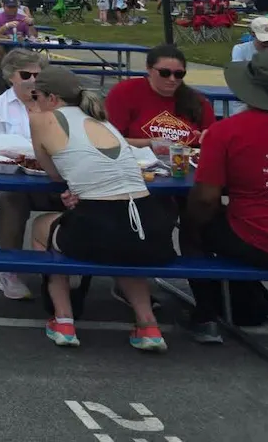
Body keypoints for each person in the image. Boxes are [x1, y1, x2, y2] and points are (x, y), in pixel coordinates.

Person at [23, 66, 174, 351]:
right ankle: (148, 324)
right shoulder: (103, 121)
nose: (34, 101)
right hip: (151, 224)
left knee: (42, 225)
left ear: (51, 98)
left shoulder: (41, 118)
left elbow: (54, 173)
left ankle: (64, 319)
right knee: (123, 244)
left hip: (101, 226)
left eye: (36, 95)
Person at [184, 49, 268, 343]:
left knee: (192, 227)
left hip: (261, 240)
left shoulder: (227, 131)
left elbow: (206, 198)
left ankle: (206, 315)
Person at [0, 48, 51, 300]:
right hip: (10, 177)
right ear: (11, 76)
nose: (33, 80)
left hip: (51, 177)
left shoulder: (52, 103)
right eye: (26, 74)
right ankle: (9, 270)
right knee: (12, 199)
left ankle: (59, 270)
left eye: (37, 75)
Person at [105, 44, 215, 147]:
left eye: (179, 74)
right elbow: (110, 139)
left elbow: (212, 138)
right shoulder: (125, 92)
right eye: (165, 73)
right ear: (148, 69)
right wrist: (150, 143)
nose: (172, 79)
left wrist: (207, 139)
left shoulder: (197, 101)